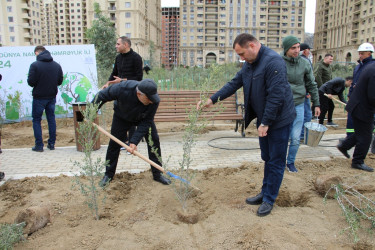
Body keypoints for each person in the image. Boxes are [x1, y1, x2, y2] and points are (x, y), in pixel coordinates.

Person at [198, 33, 296, 217]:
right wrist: (212, 99)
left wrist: (265, 122)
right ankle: (265, 192)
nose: (241, 58)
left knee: (276, 160)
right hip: (265, 118)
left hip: (279, 120)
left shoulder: (273, 62)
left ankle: (269, 199)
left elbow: (277, 96)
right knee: (267, 157)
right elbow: (234, 83)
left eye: (242, 54)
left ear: (252, 45)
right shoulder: (250, 64)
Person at [93, 79, 171, 186]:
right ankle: (108, 175)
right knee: (114, 144)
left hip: (142, 118)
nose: (152, 101)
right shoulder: (122, 88)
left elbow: (147, 122)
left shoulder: (154, 100)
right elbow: (102, 95)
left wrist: (134, 141)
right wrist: (92, 112)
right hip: (122, 117)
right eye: (149, 99)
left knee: (154, 141)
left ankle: (157, 174)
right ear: (139, 94)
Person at [282, 36, 320, 173]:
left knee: (296, 137)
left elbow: (311, 83)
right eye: (293, 48)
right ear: (286, 49)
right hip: (282, 106)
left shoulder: (304, 63)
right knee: (281, 136)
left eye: (298, 47)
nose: (297, 50)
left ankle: (290, 162)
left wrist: (317, 103)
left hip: (299, 104)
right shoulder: (279, 63)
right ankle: (279, 162)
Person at [102, 36, 143, 147]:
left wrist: (123, 80)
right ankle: (122, 142)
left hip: (132, 93)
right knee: (119, 116)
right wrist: (108, 83)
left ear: (126, 45)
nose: (116, 46)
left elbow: (139, 78)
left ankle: (131, 143)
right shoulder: (118, 58)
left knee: (131, 118)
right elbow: (114, 73)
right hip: (119, 93)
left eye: (118, 44)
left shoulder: (136, 58)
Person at [336, 63, 375, 172]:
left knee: (361, 132)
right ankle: (357, 161)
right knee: (366, 136)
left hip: (357, 105)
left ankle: (344, 145)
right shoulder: (373, 71)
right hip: (362, 108)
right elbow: (373, 95)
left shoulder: (371, 67)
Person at [27, 46, 63, 152]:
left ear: (37, 53)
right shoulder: (56, 65)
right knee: (51, 119)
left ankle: (39, 145)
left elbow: (31, 82)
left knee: (37, 120)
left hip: (39, 97)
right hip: (51, 96)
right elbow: (59, 81)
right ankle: (51, 144)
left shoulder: (35, 65)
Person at [346, 43, 375, 137]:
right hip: (356, 99)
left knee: (366, 123)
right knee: (352, 119)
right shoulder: (358, 67)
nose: (360, 56)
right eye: (359, 53)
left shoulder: (371, 66)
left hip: (366, 100)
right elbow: (353, 83)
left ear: (369, 53)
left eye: (362, 53)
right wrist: (350, 95)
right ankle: (350, 138)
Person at [314, 53, 334, 123]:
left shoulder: (329, 67)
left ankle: (326, 119)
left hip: (327, 88)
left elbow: (330, 77)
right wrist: (322, 87)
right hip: (321, 88)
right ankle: (320, 118)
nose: (331, 60)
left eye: (332, 59)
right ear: (325, 58)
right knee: (323, 105)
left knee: (328, 105)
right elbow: (317, 76)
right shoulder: (320, 65)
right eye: (330, 59)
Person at [299, 43, 313, 141]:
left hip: (299, 92)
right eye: (309, 50)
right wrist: (309, 91)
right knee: (306, 114)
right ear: (305, 50)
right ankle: (302, 136)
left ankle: (297, 135)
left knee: (298, 114)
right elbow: (309, 79)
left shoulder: (297, 60)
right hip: (304, 93)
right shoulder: (305, 61)